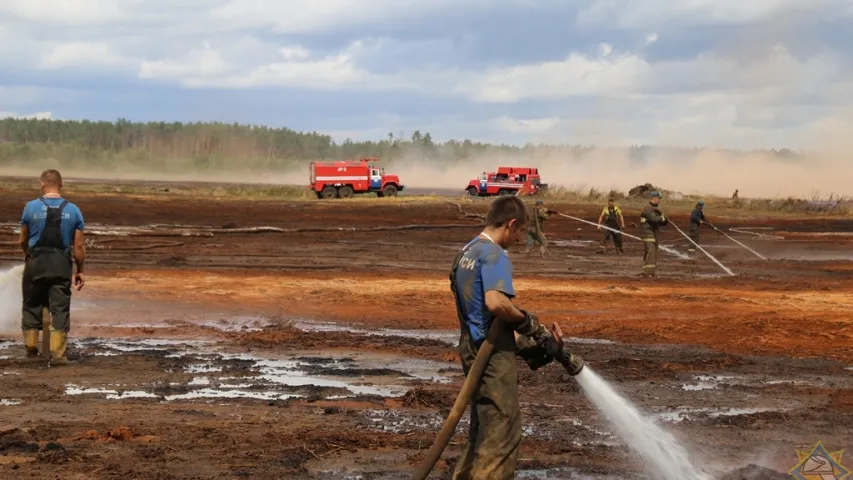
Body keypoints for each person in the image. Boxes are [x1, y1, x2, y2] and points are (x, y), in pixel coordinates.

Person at [449, 195, 562, 479]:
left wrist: (534, 349)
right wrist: (530, 324)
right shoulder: (494, 254)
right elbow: (496, 304)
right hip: (492, 359)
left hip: (473, 351)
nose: (522, 239)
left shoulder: (466, 253)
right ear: (512, 224)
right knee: (502, 436)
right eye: (523, 231)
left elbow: (480, 319)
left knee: (482, 431)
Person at [19, 169, 86, 364]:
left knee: (31, 306)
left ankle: (32, 352)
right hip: (61, 265)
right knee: (60, 308)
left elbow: (23, 239)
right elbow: (79, 246)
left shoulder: (30, 208)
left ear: (42, 184)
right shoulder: (74, 210)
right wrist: (80, 270)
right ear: (61, 184)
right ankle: (58, 355)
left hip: (35, 264)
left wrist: (28, 255)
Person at [639, 191, 667, 277]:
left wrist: (665, 219)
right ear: (654, 198)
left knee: (652, 252)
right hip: (648, 233)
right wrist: (662, 217)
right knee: (651, 251)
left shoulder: (654, 210)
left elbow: (660, 222)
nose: (659, 201)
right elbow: (654, 219)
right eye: (659, 199)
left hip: (652, 233)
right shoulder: (648, 208)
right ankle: (648, 272)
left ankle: (648, 271)